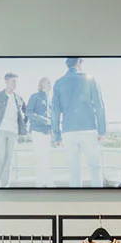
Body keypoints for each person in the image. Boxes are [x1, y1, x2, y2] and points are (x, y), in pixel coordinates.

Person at [50, 58, 107, 188]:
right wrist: (102, 130)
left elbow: (54, 111)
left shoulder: (58, 83)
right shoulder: (89, 79)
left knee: (73, 170)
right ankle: (96, 200)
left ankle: (75, 202)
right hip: (88, 128)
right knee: (94, 167)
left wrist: (57, 135)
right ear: (79, 63)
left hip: (68, 131)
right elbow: (99, 105)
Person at [25, 76, 56, 188]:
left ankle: (40, 183)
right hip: (37, 131)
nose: (50, 84)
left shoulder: (49, 100)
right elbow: (29, 112)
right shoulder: (35, 97)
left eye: (50, 82)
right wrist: (44, 120)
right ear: (41, 84)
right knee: (41, 157)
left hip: (47, 133)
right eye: (48, 82)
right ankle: (49, 183)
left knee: (44, 157)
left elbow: (51, 118)